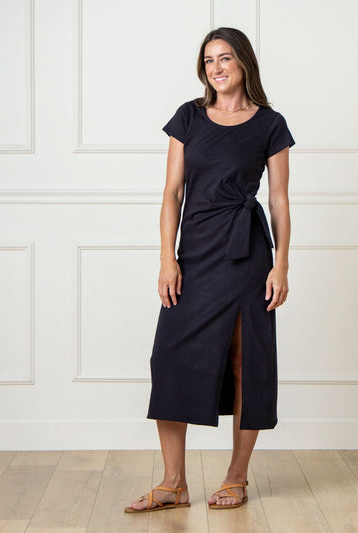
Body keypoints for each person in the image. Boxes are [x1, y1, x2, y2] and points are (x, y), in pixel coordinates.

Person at [125, 27, 295, 513]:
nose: (216, 68)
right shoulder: (189, 116)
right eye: (208, 60)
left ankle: (236, 478)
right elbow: (172, 193)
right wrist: (167, 257)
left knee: (244, 364)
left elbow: (279, 200)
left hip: (246, 256)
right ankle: (173, 483)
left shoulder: (270, 124)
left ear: (244, 62)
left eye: (224, 58)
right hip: (195, 253)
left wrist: (281, 264)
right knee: (169, 357)